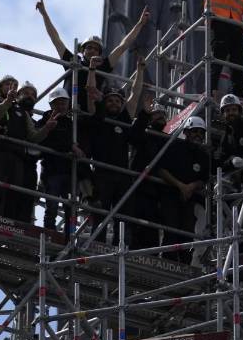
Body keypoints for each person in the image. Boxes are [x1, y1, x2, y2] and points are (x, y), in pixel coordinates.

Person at [36, 0, 150, 107]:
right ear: (82, 50)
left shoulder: (103, 66)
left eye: (96, 49)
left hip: (90, 112)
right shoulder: (73, 61)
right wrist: (44, 14)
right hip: (68, 110)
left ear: (99, 54)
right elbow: (55, 39)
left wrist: (140, 24)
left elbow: (123, 46)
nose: (92, 51)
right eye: (89, 47)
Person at [82, 61, 144, 243]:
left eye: (118, 101)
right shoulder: (99, 117)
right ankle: (96, 247)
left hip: (123, 176)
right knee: (100, 214)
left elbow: (136, 93)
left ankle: (120, 249)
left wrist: (140, 70)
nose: (114, 103)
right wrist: (92, 70)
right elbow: (91, 91)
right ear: (105, 102)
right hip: (102, 174)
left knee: (123, 217)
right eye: (110, 100)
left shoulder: (125, 119)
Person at [0, 81, 52, 223]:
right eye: (26, 93)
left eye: (33, 94)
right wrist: (7, 101)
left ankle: (8, 226)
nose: (30, 96)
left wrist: (46, 129)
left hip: (17, 157)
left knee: (13, 195)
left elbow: (33, 137)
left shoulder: (23, 114)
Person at [159, 116, 213, 261]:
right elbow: (162, 170)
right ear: (186, 132)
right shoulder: (175, 147)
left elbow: (203, 179)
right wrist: (181, 186)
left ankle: (185, 266)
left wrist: (191, 187)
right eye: (195, 131)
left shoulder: (203, 156)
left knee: (187, 233)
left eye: (201, 132)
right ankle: (168, 263)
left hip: (189, 199)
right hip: (170, 196)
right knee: (171, 231)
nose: (198, 135)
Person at [127, 98, 172, 249]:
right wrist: (144, 114)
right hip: (137, 188)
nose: (160, 117)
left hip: (156, 192)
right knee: (134, 227)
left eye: (162, 115)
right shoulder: (144, 134)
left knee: (152, 230)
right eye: (156, 115)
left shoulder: (167, 141)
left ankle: (151, 255)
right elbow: (133, 136)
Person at [37, 87, 79, 231]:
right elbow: (43, 142)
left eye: (63, 103)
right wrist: (70, 147)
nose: (61, 106)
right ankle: (49, 235)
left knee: (71, 210)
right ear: (51, 105)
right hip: (51, 170)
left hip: (68, 171)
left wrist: (70, 147)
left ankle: (69, 238)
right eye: (57, 103)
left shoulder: (71, 123)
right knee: (52, 207)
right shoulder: (44, 120)